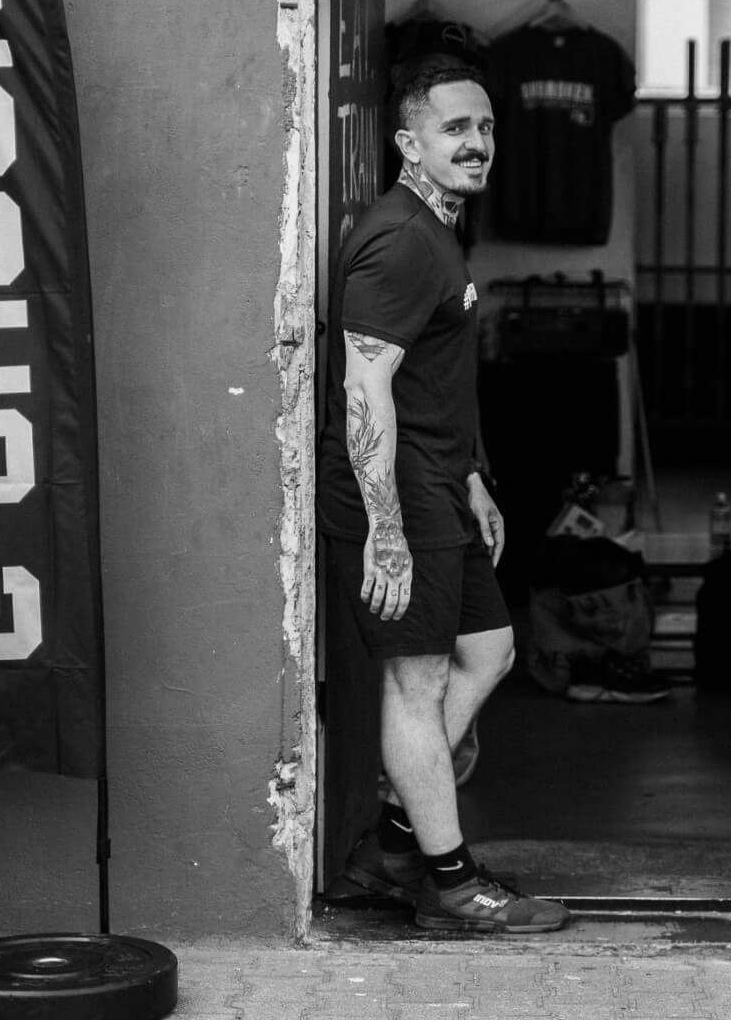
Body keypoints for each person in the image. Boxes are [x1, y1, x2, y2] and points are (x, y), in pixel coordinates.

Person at [318, 65, 569, 934]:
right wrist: (385, 528)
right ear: (409, 144)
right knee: (415, 683)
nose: (476, 144)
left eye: (486, 129)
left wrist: (469, 477)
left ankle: (392, 844)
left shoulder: (438, 231)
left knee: (491, 649)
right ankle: (453, 885)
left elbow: (429, 378)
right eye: (455, 128)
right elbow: (367, 391)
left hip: (435, 482)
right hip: (393, 494)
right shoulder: (399, 241)